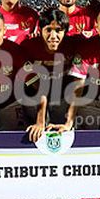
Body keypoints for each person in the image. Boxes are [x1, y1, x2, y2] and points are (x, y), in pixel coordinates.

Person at [22, 8, 76, 141]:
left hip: (62, 97)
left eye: (58, 31)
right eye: (48, 30)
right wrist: (40, 120)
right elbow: (33, 82)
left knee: (61, 133)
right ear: (40, 30)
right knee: (34, 133)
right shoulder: (28, 47)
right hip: (36, 95)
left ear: (66, 32)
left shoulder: (74, 45)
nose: (53, 36)